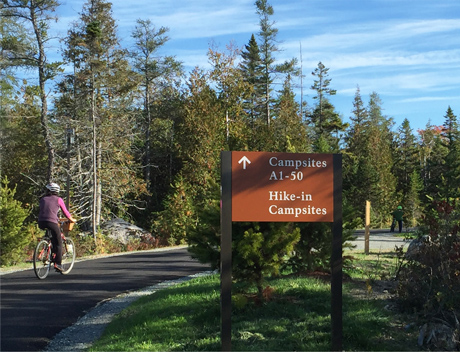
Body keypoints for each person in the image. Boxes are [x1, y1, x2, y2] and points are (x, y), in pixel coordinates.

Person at [38, 183, 76, 272]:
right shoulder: (59, 200)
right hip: (52, 222)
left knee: (51, 237)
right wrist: (71, 219)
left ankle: (47, 248)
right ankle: (58, 264)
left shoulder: (42, 199)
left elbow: (47, 210)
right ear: (57, 191)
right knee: (59, 242)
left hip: (41, 222)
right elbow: (65, 212)